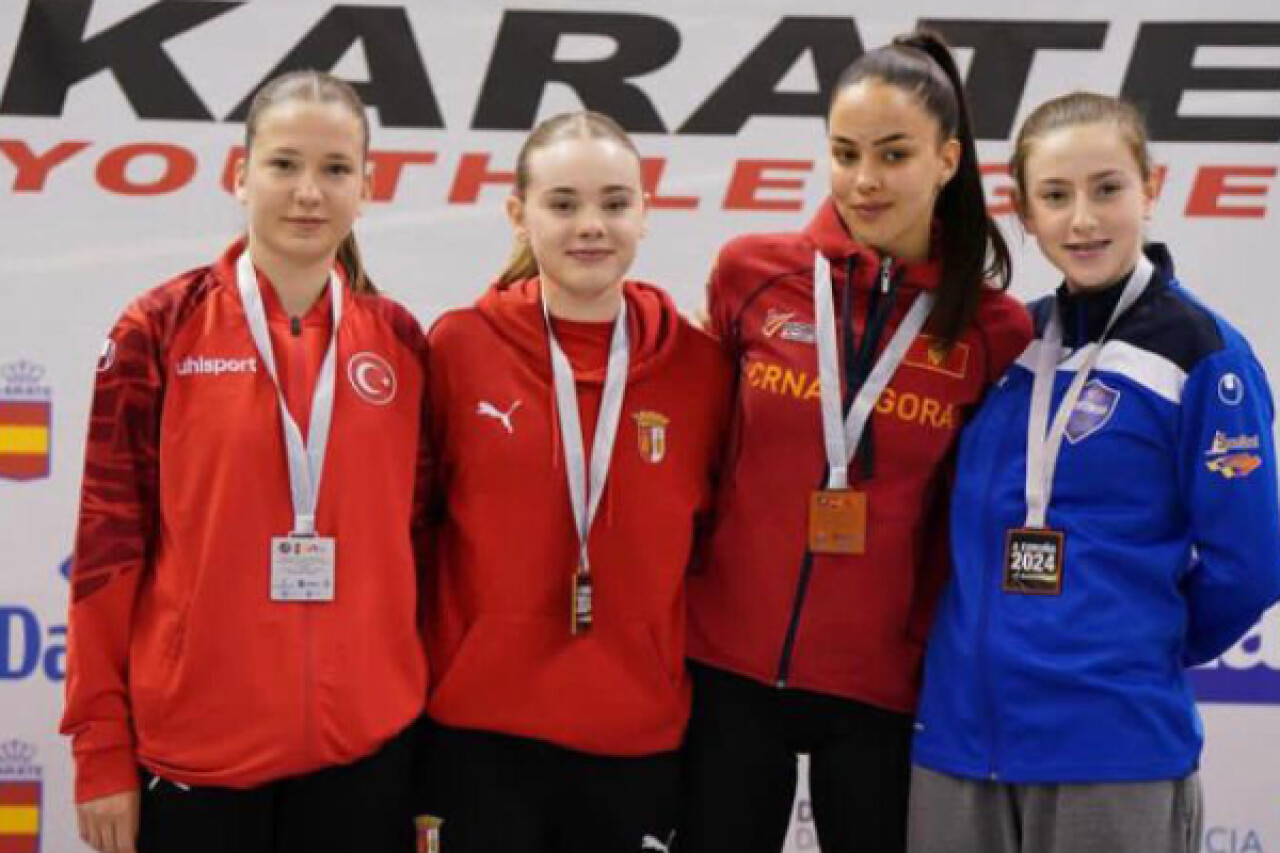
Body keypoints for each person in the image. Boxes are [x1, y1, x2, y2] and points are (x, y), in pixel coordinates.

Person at [681, 30, 1032, 853]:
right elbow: (701, 454)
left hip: (884, 685)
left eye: (893, 154)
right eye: (844, 153)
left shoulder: (993, 329)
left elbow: (973, 514)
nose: (863, 179)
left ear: (946, 160)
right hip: (727, 666)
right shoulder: (751, 274)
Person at [61, 70, 429, 853]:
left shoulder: (399, 340)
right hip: (198, 753)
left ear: (366, 188)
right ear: (241, 175)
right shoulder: (160, 327)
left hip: (365, 754)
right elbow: (106, 548)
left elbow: (425, 545)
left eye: (335, 169)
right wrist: (100, 743)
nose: (308, 191)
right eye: (284, 164)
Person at [908, 92, 1280, 853]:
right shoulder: (1008, 342)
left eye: (1107, 188)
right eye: (1055, 196)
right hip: (960, 741)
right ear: (1025, 211)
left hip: (1111, 745)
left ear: (1151, 187)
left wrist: (1137, 642)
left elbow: (1251, 562)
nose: (1082, 219)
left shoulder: (1204, 355)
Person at [416, 110, 731, 852]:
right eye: (563, 203)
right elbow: (415, 527)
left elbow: (712, 544)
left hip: (634, 735)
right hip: (478, 733)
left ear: (645, 212)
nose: (591, 225)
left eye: (614, 203)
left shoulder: (703, 369)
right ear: (517, 215)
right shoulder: (458, 348)